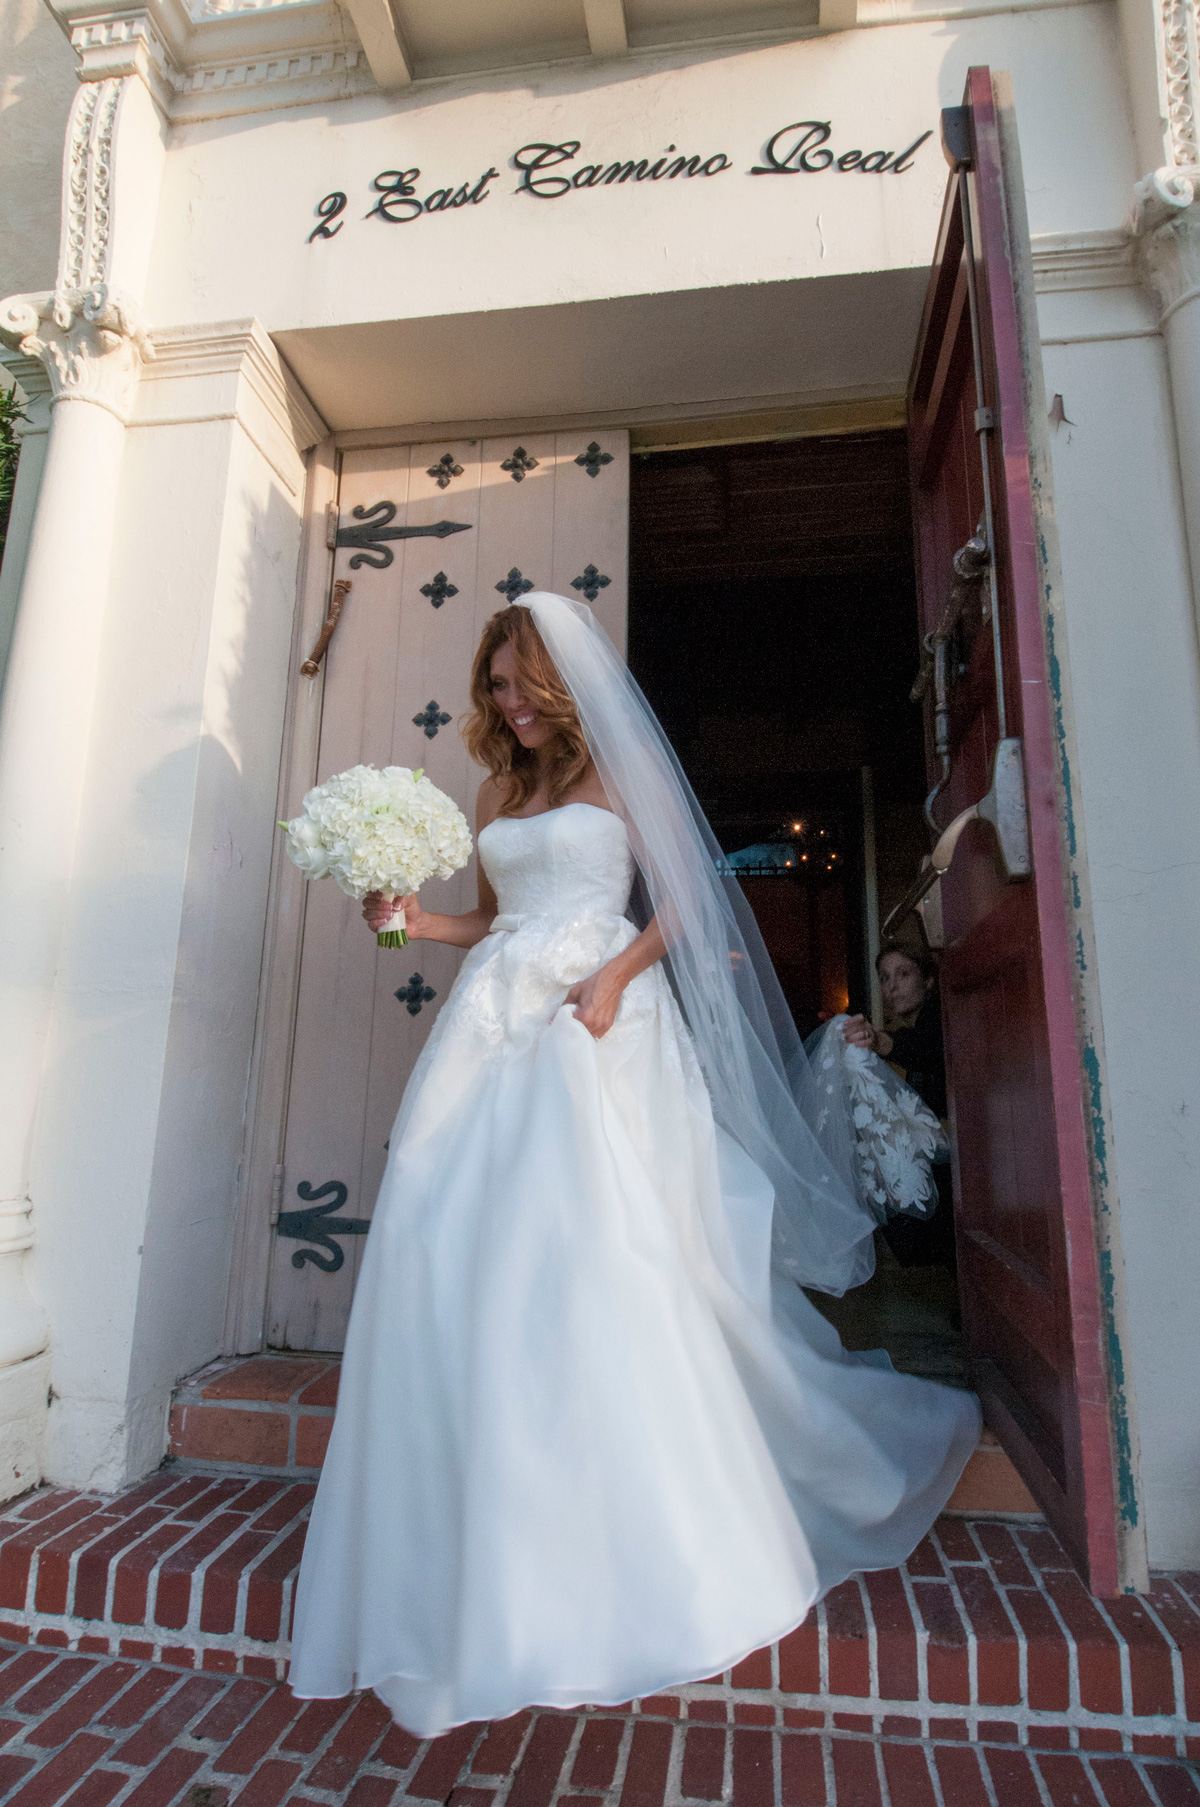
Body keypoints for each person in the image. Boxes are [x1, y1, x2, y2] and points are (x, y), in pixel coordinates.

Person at [288, 594, 979, 1737]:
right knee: (454, 1244)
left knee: (596, 1247)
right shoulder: (496, 793)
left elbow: (689, 902)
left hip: (596, 1020)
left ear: (564, 684)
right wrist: (402, 921)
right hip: (496, 1021)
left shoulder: (617, 775)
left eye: (523, 681)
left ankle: (638, 1515)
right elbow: (490, 921)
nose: (510, 702)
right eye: (496, 684)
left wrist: (614, 975)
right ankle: (487, 1510)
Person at [843, 945, 955, 1270]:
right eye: (884, 977)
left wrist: (879, 1041)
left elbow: (929, 1046)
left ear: (928, 980)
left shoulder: (940, 1018)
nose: (892, 986)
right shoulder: (921, 1025)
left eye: (903, 974)